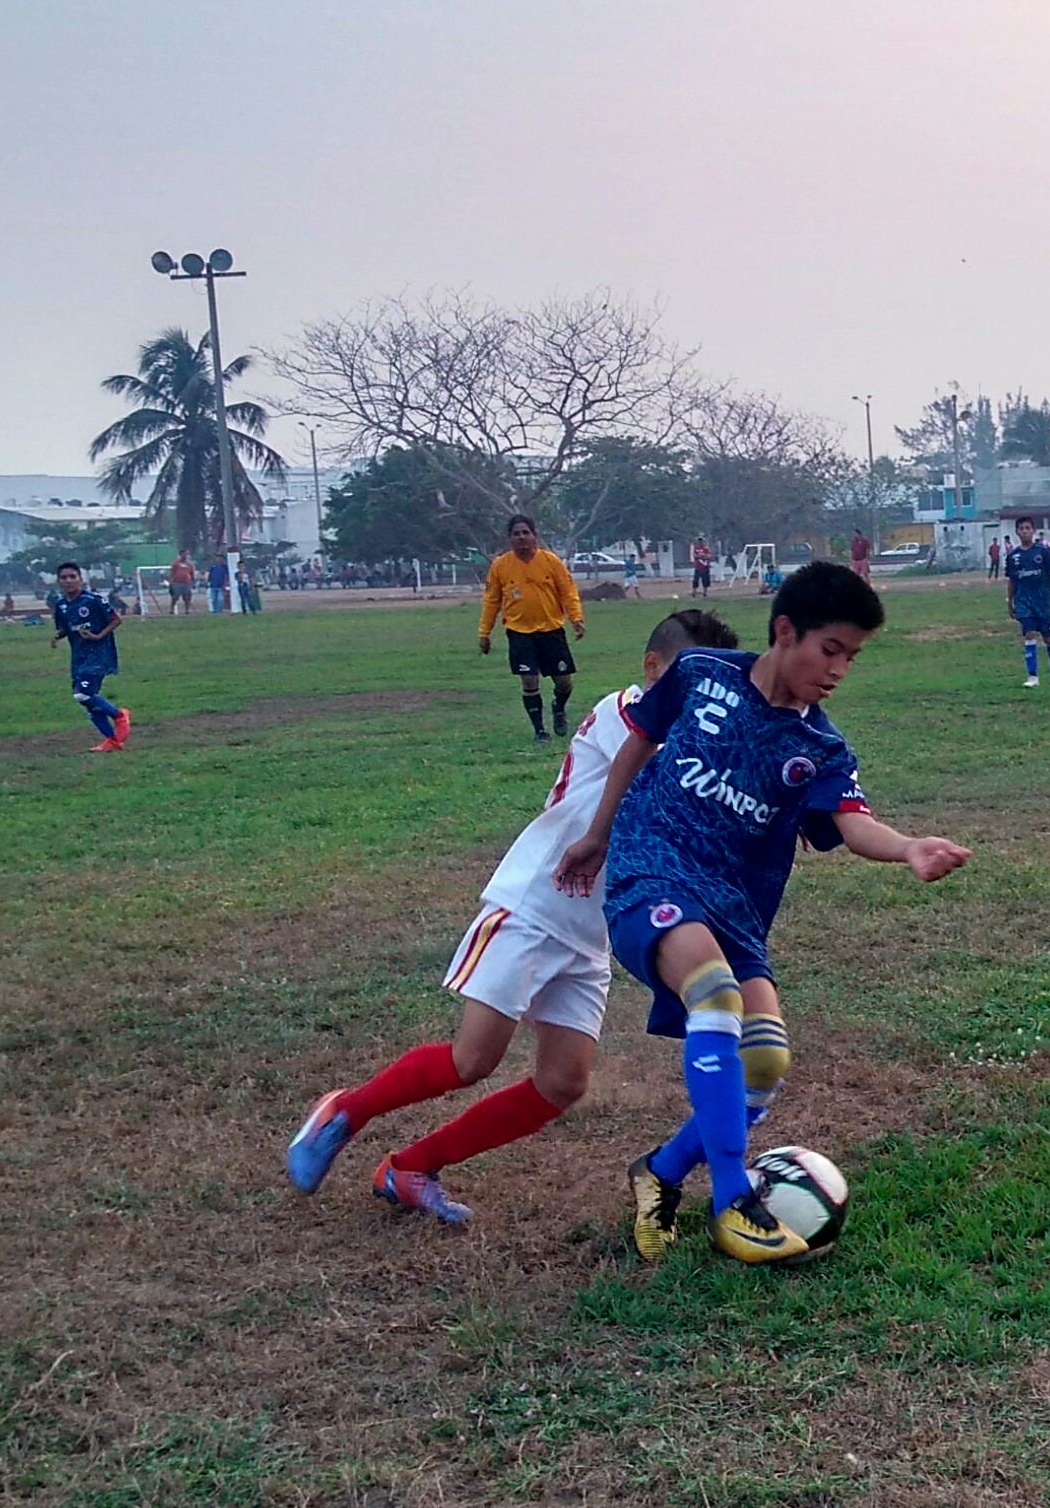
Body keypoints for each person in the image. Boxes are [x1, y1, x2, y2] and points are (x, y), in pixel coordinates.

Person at [552, 564, 972, 1263]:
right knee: (715, 996)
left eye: (851, 657)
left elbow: (851, 823)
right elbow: (638, 741)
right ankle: (732, 1203)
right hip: (651, 869)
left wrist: (907, 848)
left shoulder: (821, 749)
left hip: (733, 906)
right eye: (829, 650)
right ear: (784, 631)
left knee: (766, 1060)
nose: (838, 670)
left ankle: (659, 1171)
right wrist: (599, 833)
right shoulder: (699, 674)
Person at [287, 609, 742, 1225]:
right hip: (535, 906)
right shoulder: (625, 711)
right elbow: (666, 776)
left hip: (589, 934)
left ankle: (410, 1168)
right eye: (691, 683)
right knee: (471, 1060)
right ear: (653, 668)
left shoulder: (694, 743)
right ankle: (344, 1112)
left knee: (563, 1084)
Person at [479, 515, 586, 745]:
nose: (521, 537)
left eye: (525, 532)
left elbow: (568, 592)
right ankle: (540, 732)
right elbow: (491, 601)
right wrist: (484, 633)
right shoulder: (500, 566)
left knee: (564, 683)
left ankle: (559, 707)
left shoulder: (550, 561)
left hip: (551, 631)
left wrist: (576, 618)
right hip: (519, 633)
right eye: (516, 534)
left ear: (534, 536)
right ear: (510, 538)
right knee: (529, 681)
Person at [49, 561, 131, 752]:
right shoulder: (61, 605)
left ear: (81, 579)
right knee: (88, 701)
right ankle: (113, 740)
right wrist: (58, 636)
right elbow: (67, 628)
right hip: (79, 657)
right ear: (59, 582)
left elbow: (116, 619)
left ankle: (119, 715)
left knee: (82, 694)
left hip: (99, 654)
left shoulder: (93, 600)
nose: (69, 581)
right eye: (64, 578)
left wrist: (98, 636)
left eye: (73, 577)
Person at [1007, 516, 1050, 686]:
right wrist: (1009, 602)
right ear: (1017, 532)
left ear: (1033, 531)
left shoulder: (1043, 552)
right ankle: (1032, 677)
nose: (1024, 531)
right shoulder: (1013, 556)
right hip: (1023, 602)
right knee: (1029, 634)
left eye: (1027, 528)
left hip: (1043, 602)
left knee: (1048, 638)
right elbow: (1011, 581)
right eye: (1021, 529)